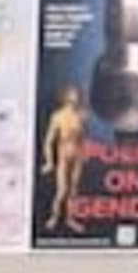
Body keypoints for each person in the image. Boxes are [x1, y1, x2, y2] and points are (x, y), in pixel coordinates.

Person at [39, 81, 89, 232]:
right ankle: (54, 217)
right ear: (65, 96)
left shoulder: (81, 115)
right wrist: (49, 161)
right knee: (62, 190)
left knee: (73, 190)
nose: (75, 96)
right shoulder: (58, 116)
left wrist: (84, 152)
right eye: (72, 93)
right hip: (63, 155)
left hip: (78, 155)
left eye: (76, 94)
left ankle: (70, 219)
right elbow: (49, 141)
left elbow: (83, 138)